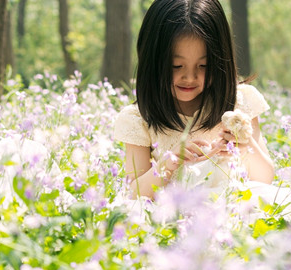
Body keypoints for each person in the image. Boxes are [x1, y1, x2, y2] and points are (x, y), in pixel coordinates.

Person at [113, 0, 275, 200]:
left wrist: (243, 143)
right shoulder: (139, 119)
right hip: (172, 222)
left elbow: (264, 180)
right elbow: (133, 194)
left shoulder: (240, 102)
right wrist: (167, 165)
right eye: (175, 66)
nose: (189, 77)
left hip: (232, 214)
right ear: (152, 61)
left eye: (204, 66)